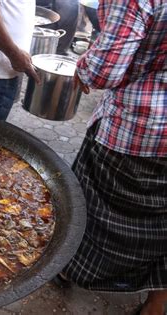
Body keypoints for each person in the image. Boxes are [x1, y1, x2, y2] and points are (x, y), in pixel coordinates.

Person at [61, 0, 166, 313]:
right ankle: (157, 303)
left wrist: (84, 67)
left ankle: (68, 268)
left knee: (90, 209)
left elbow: (105, 70)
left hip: (139, 128)